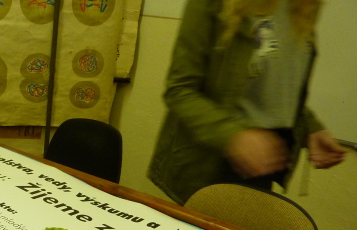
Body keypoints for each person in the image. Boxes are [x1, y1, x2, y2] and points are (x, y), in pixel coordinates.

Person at [148, 0, 347, 205]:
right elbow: (180, 89)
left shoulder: (304, 6)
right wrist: (234, 136)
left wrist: (310, 128)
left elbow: (275, 89)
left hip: (265, 162)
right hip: (208, 160)